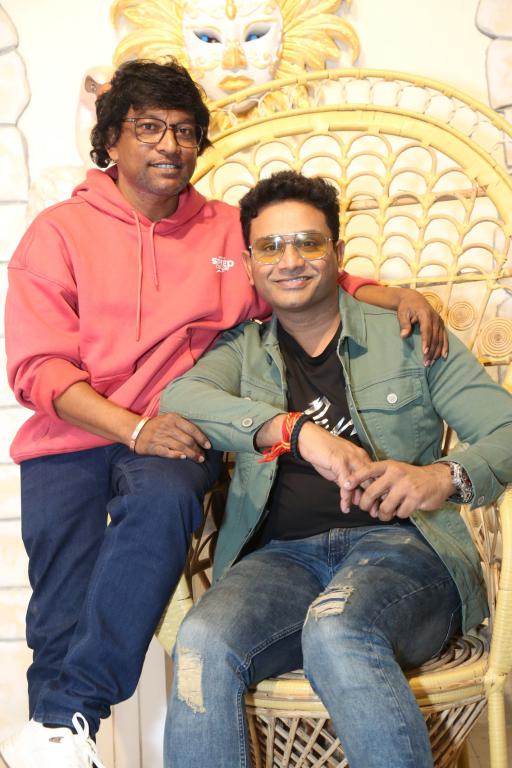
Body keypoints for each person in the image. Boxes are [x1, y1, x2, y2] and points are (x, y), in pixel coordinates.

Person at [0, 59, 443, 768]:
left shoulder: (223, 233)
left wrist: (387, 293)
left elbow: (296, 275)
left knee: (166, 498)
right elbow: (38, 367)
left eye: (184, 131)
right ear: (111, 139)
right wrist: (132, 426)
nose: (170, 145)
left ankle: (69, 709)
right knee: (63, 586)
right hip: (74, 431)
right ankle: (58, 734)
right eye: (149, 128)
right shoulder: (57, 233)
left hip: (177, 433)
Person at [161, 171, 512, 768]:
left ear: (337, 252)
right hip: (279, 562)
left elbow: (504, 428)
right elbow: (179, 400)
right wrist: (294, 431)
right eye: (270, 247)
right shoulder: (240, 351)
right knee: (201, 641)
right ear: (249, 266)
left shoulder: (408, 334)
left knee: (336, 628)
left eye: (308, 242)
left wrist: (439, 477)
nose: (289, 260)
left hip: (404, 551)